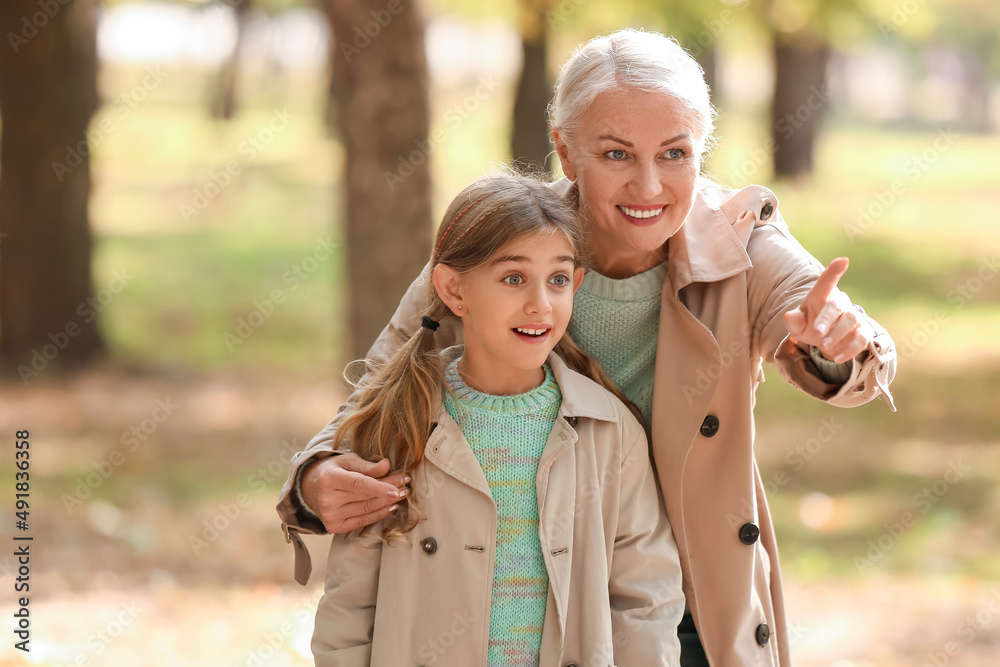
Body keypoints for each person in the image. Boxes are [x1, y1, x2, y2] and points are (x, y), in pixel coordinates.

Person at [278, 29, 896, 667]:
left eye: (676, 153)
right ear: (566, 153)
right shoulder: (509, 245)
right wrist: (316, 479)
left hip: (692, 597)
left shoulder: (740, 242)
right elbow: (380, 389)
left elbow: (834, 328)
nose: (649, 186)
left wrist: (837, 344)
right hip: (535, 589)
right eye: (616, 154)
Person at [309, 174, 685, 666]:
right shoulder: (399, 424)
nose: (540, 304)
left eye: (557, 280)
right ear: (453, 290)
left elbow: (646, 601)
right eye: (513, 278)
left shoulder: (611, 432)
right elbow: (348, 604)